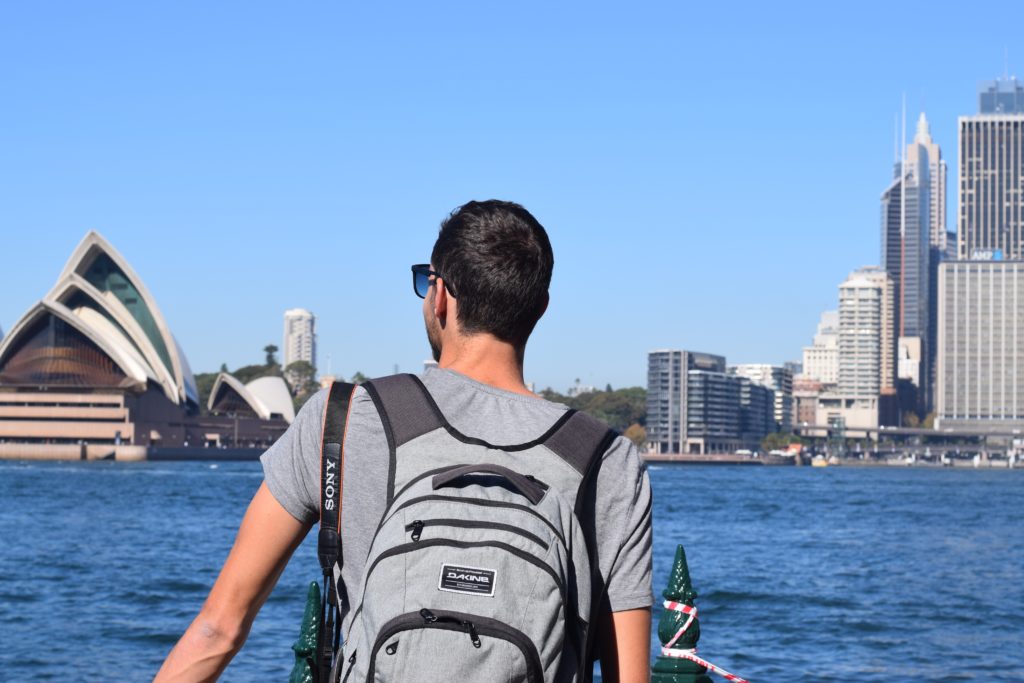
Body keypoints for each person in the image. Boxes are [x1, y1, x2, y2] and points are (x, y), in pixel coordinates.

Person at [155, 200, 653, 682]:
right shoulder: (606, 460)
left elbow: (219, 629)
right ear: (540, 308)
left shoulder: (344, 419)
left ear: (439, 295)